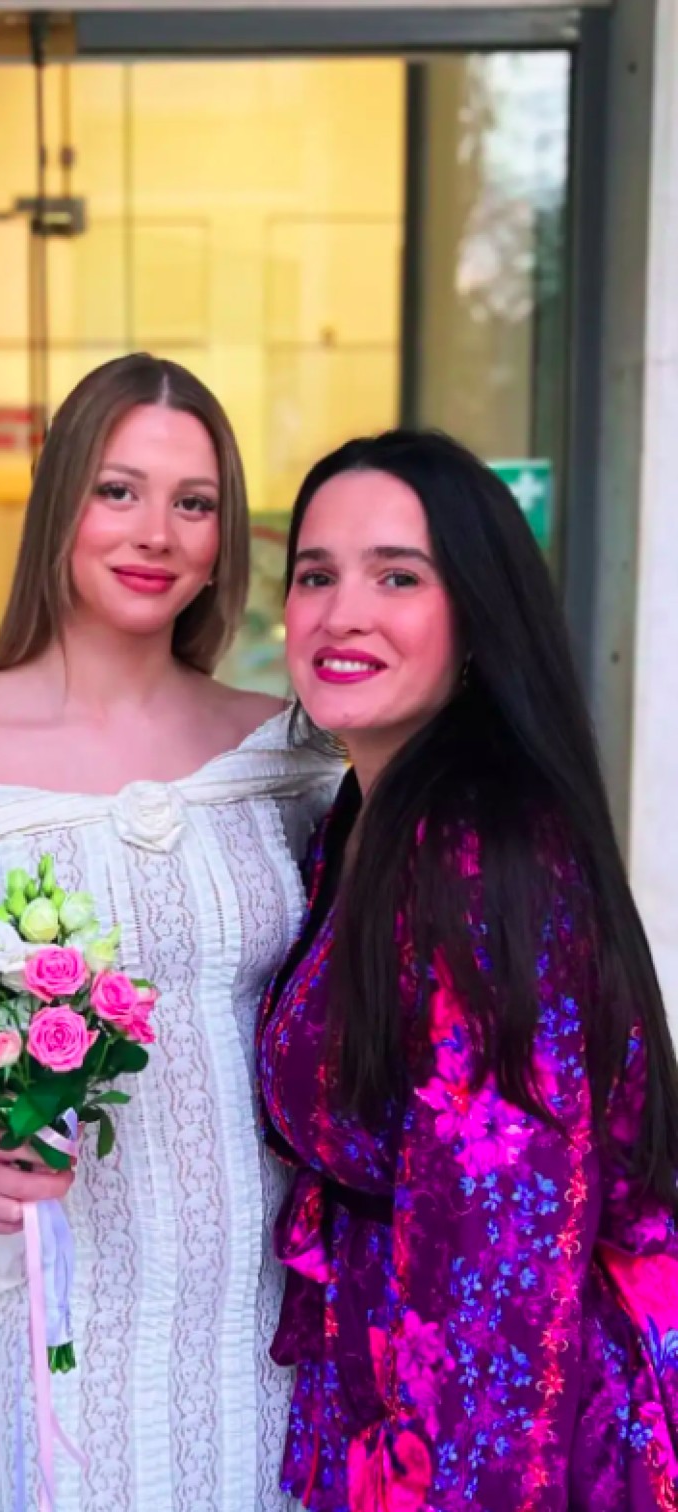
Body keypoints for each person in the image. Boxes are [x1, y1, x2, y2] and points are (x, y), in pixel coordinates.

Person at [0, 352, 341, 1511]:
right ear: (62, 504)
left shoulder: (291, 756)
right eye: (119, 491)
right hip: (65, 1292)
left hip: (274, 1299)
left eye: (195, 503)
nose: (156, 534)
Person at [257, 428, 678, 1509]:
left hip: (487, 1445)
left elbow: (505, 1271)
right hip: (389, 1398)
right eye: (316, 575)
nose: (343, 612)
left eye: (398, 576)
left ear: (478, 617)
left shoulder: (476, 852)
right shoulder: (362, 817)